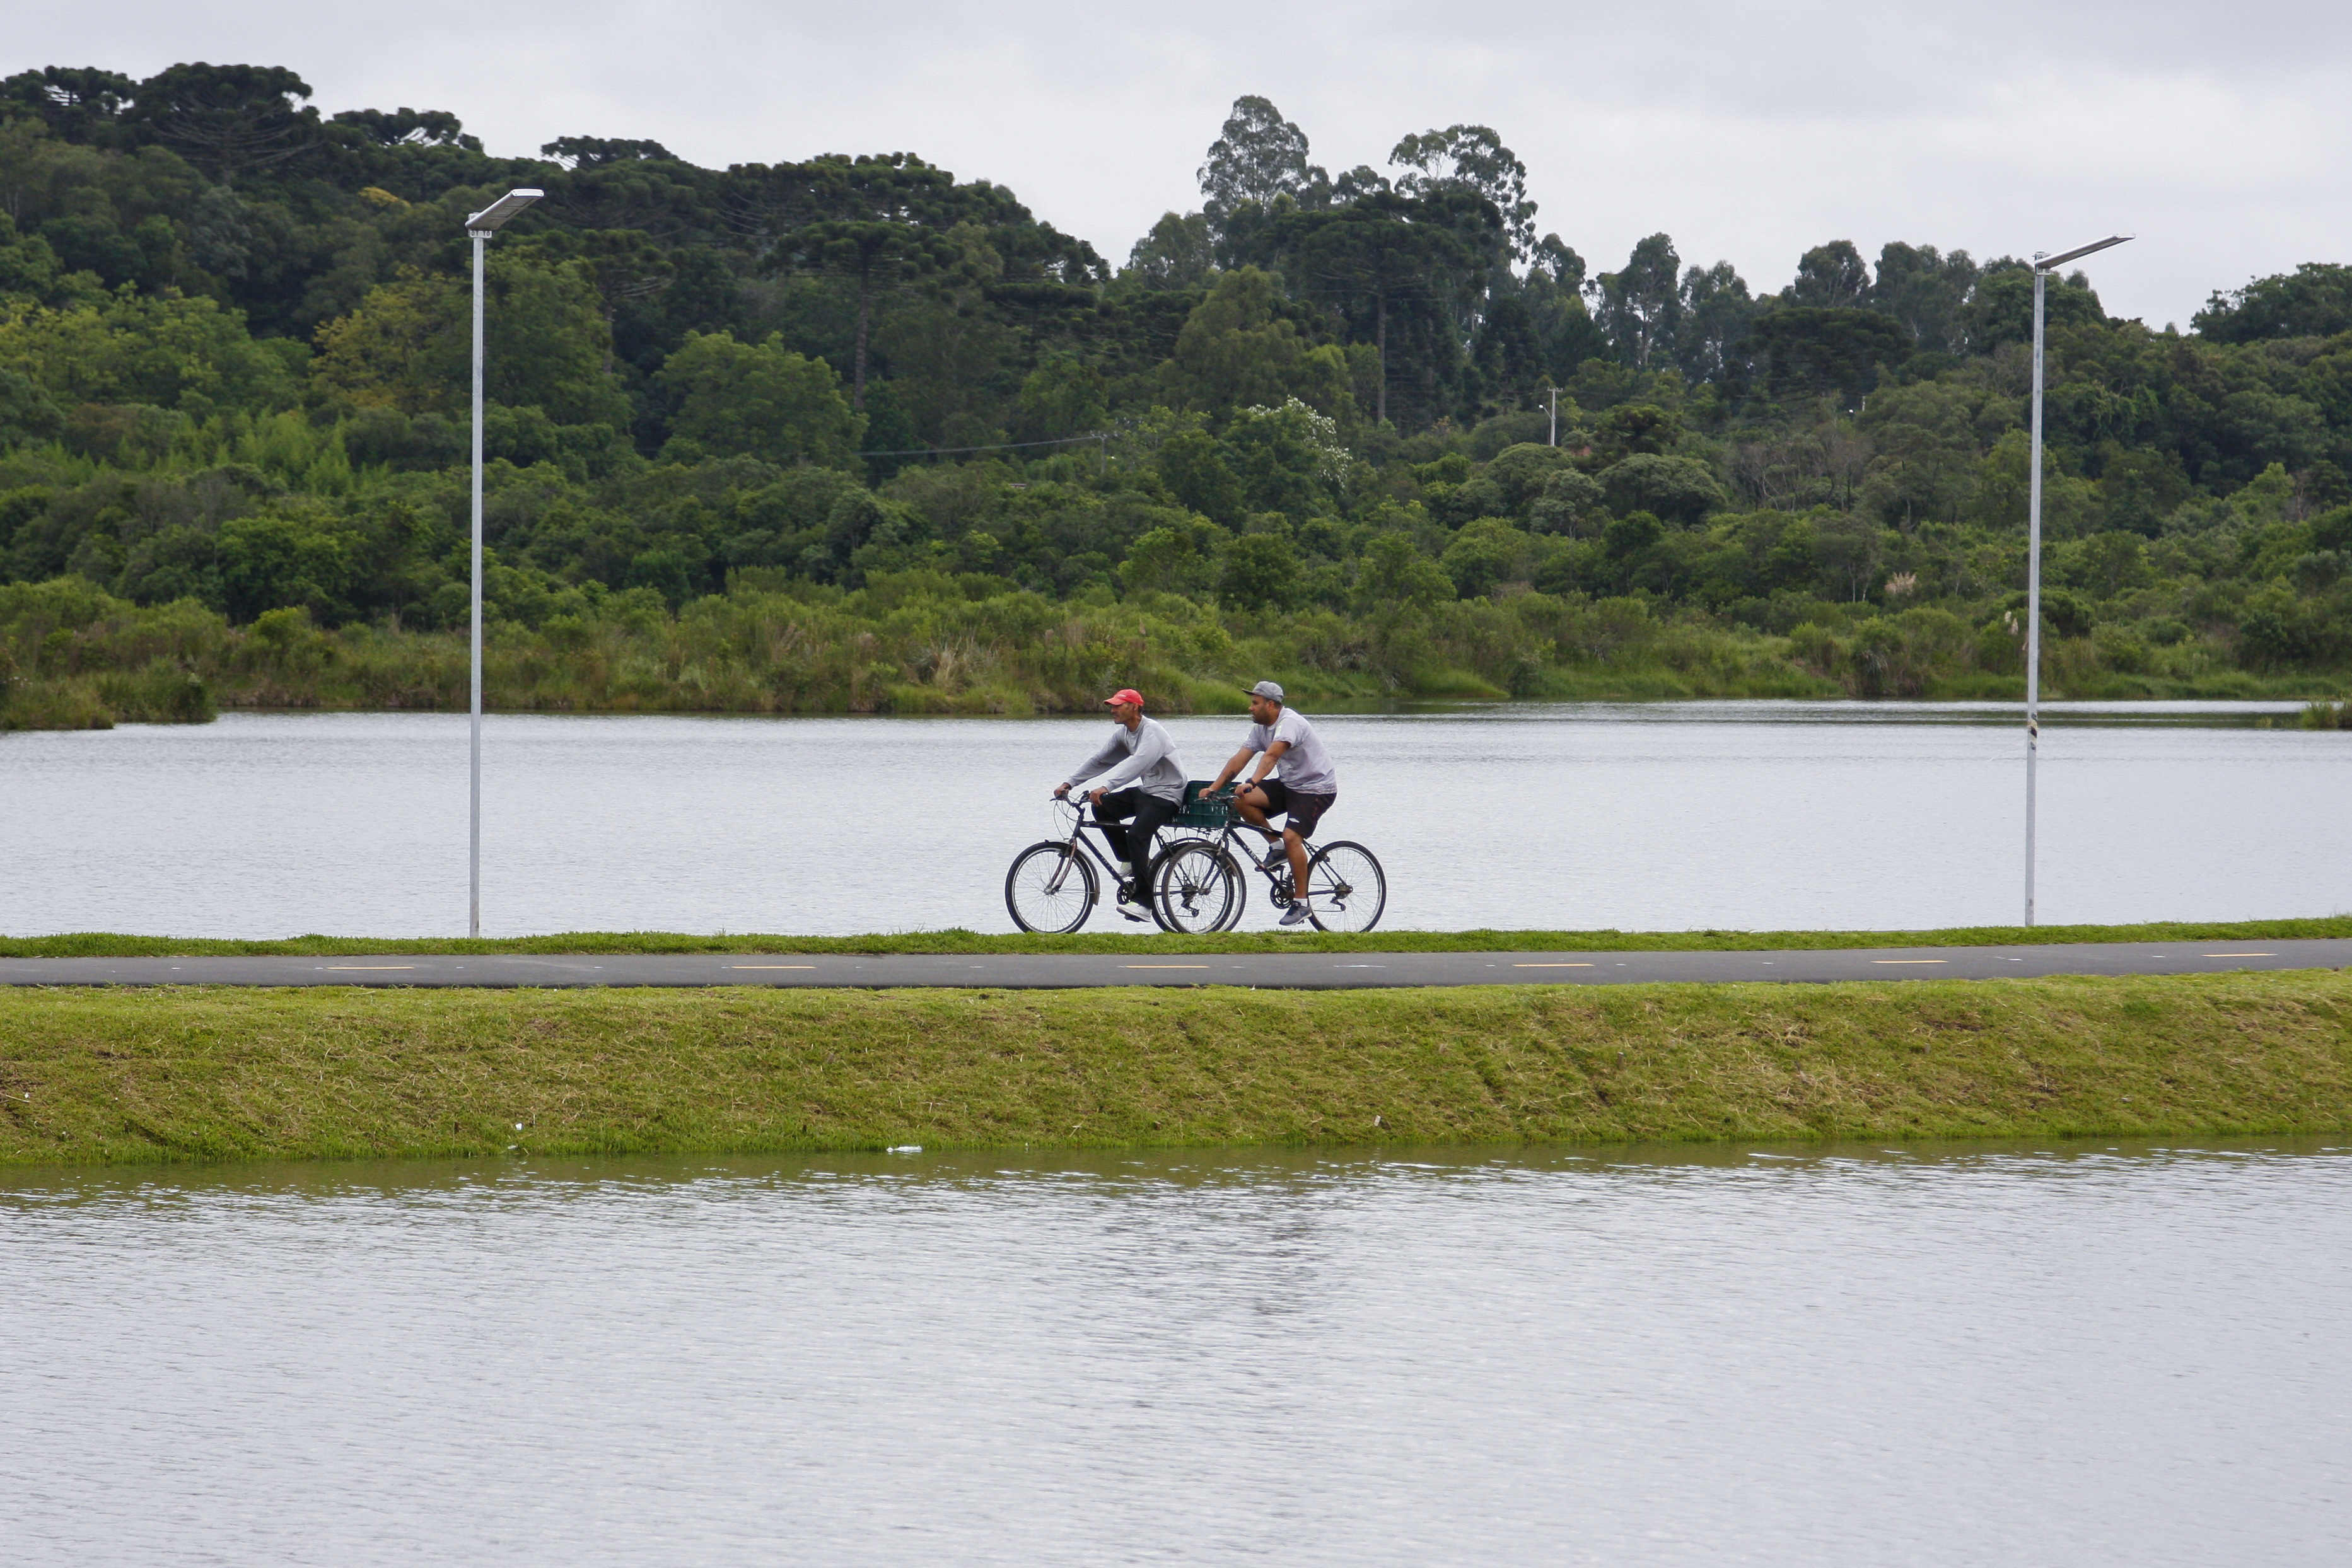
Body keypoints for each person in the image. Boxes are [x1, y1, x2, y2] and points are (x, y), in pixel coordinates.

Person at [1208, 680, 1337, 926]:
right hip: (1290, 785)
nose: (1251, 708)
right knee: (1240, 800)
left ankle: (1301, 903)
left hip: (1316, 789)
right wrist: (1214, 788)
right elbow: (1239, 759)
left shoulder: (1290, 723)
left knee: (1292, 837)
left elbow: (1272, 756)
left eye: (1255, 703)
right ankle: (1277, 848)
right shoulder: (1260, 728)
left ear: (1271, 705)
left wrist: (1253, 781)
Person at [1054, 687, 1188, 922]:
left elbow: (1138, 763)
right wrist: (1070, 782)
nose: (1113, 710)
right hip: (1147, 792)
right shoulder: (1124, 734)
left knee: (1137, 834)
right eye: (1112, 706)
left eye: (1118, 706)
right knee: (1101, 806)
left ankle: (1145, 904)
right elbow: (1100, 760)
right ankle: (1129, 859)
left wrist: (1107, 786)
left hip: (1168, 795)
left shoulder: (1152, 732)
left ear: (1134, 707)